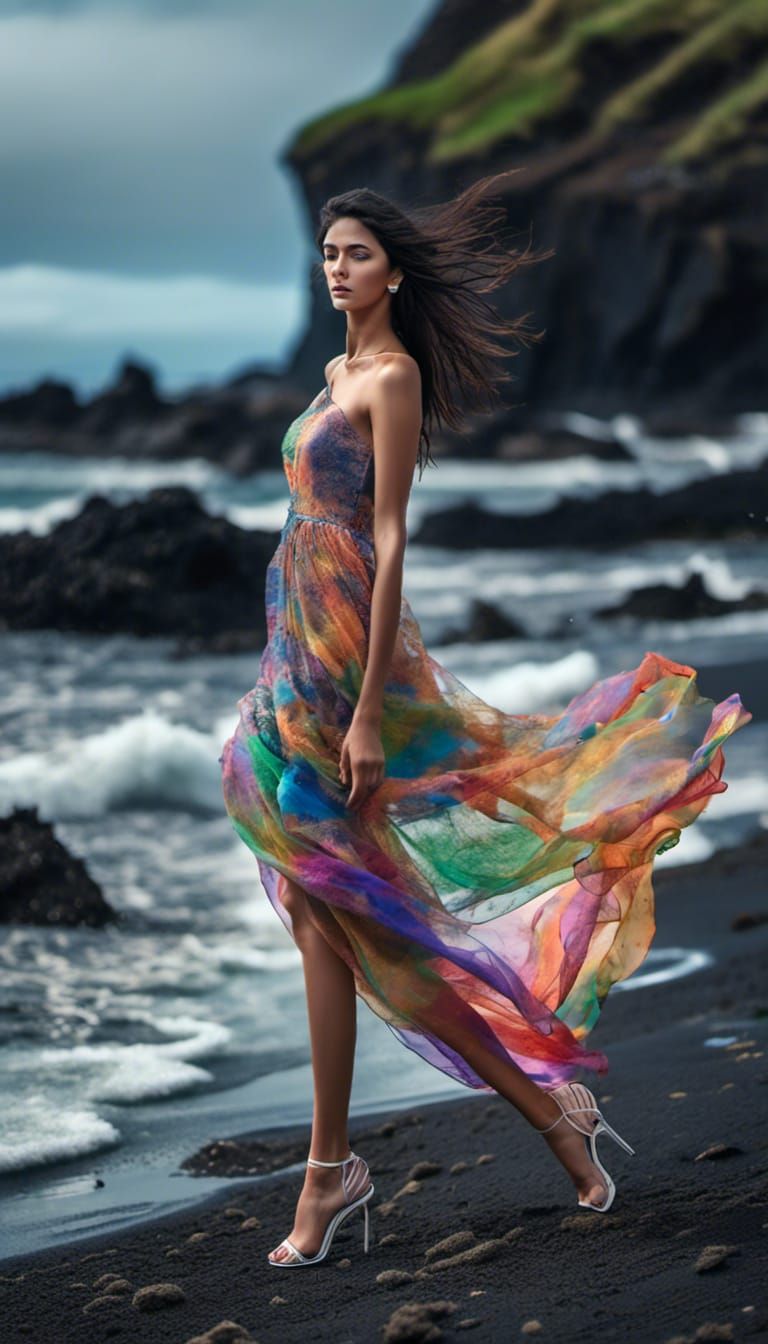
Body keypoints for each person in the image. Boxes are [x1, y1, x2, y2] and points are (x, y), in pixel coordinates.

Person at [219, 175, 752, 1269]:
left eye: (357, 253)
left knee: (363, 928)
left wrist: (367, 711)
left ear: (394, 272)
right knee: (337, 920)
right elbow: (307, 529)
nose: (336, 266)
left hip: (347, 676)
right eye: (327, 251)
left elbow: (391, 540)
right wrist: (280, 662)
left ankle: (338, 1174)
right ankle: (516, 1134)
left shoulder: (394, 378)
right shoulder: (334, 374)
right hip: (296, 660)